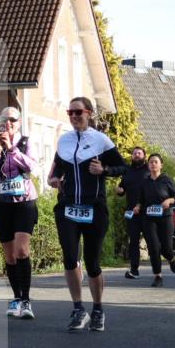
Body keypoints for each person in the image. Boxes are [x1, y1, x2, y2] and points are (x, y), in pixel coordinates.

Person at [48, 96, 127, 332]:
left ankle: (98, 309)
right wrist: (53, 179)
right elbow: (55, 171)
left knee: (92, 263)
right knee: (70, 258)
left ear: (89, 113)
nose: (73, 116)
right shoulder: (64, 141)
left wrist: (105, 169)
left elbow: (123, 167)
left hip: (94, 208)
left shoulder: (101, 140)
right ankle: (78, 308)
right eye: (70, 112)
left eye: (78, 112)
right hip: (68, 207)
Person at [0, 106, 40, 319]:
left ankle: (26, 300)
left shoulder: (26, 142)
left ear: (19, 122)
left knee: (22, 250)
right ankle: (16, 297)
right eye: (4, 120)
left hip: (25, 201)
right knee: (9, 254)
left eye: (12, 120)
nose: (8, 123)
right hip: (1, 202)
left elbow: (32, 167)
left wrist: (11, 150)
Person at [132, 153, 175, 287]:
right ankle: (158, 276)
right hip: (149, 218)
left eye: (156, 162)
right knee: (153, 247)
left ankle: (171, 259)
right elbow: (141, 199)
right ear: (148, 165)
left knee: (166, 248)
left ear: (161, 165)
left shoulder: (166, 180)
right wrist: (137, 206)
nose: (153, 164)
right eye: (151, 162)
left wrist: (169, 200)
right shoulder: (145, 182)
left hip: (165, 217)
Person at [116, 146, 149, 279]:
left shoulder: (149, 170)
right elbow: (122, 188)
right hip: (132, 212)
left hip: (147, 212)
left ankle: (157, 270)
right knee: (133, 241)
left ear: (144, 156)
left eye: (139, 153)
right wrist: (120, 191)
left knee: (152, 241)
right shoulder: (127, 171)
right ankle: (134, 270)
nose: (136, 155)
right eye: (134, 153)